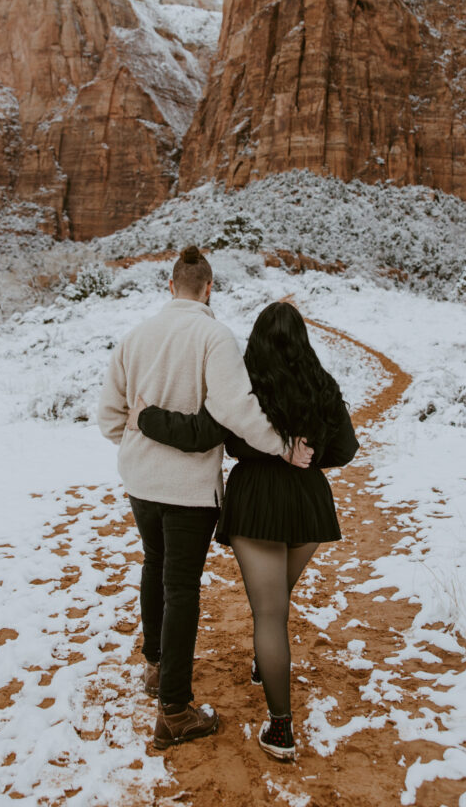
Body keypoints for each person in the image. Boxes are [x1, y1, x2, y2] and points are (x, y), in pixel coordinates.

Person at [97, 247, 312, 751]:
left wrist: (137, 440)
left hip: (141, 482)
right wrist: (282, 447)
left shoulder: (134, 338)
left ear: (171, 287)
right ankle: (173, 709)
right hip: (189, 488)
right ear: (208, 289)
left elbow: (110, 416)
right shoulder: (214, 336)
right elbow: (237, 409)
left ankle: (155, 668)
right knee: (182, 589)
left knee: (155, 566)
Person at [132, 301, 359, 761]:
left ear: (254, 340)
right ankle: (268, 672)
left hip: (256, 501)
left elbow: (213, 435)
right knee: (277, 604)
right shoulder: (322, 384)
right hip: (308, 504)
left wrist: (145, 417)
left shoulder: (245, 385)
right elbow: (346, 448)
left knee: (269, 614)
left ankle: (281, 728)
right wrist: (309, 456)